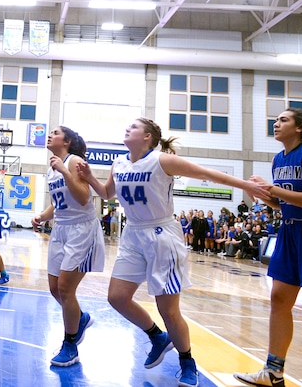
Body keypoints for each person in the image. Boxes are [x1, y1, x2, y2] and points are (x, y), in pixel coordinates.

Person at [77, 117, 260, 387]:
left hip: (162, 236)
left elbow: (207, 174)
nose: (127, 129)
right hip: (133, 235)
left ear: (148, 136)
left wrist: (247, 186)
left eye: (134, 127)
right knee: (116, 297)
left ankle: (187, 362)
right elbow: (107, 194)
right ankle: (157, 337)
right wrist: (90, 177)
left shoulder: (162, 160)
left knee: (168, 309)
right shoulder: (119, 163)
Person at [234, 108, 302, 387]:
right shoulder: (278, 158)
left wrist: (273, 189)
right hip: (290, 230)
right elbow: (284, 205)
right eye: (276, 119)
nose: (276, 123)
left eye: (283, 120)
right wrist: (263, 194)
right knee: (279, 299)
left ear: (300, 127)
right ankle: (273, 371)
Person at [30, 126, 104, 367]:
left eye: (55, 132)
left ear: (67, 141)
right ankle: (79, 318)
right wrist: (42, 216)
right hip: (61, 228)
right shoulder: (53, 167)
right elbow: (58, 203)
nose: (50, 135)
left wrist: (64, 170)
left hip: (81, 229)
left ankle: (70, 344)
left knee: (65, 287)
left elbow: (83, 197)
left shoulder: (73, 162)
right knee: (54, 288)